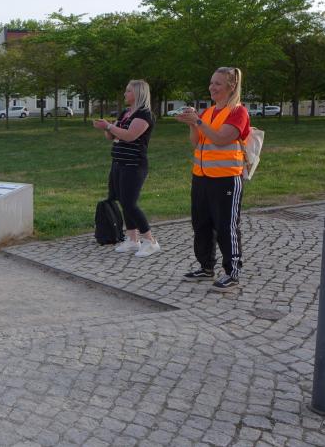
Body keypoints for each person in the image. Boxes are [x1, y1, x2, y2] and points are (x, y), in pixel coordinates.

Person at [176, 67, 251, 292]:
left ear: (231, 86)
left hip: (226, 178)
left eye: (218, 83)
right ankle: (206, 266)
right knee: (201, 224)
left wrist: (198, 122)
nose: (212, 87)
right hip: (201, 176)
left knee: (226, 225)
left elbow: (220, 139)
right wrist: (192, 123)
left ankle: (232, 272)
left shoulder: (238, 112)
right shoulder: (208, 112)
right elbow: (196, 142)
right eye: (211, 83)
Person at [93, 80, 160, 257]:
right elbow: (111, 136)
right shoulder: (125, 113)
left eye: (128, 91)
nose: (125, 94)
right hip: (118, 163)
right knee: (122, 201)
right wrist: (105, 127)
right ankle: (132, 239)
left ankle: (150, 241)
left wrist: (109, 126)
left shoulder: (144, 115)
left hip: (134, 165)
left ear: (138, 94)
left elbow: (130, 136)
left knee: (130, 204)